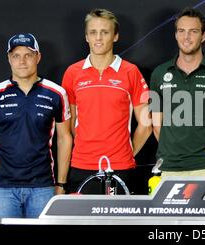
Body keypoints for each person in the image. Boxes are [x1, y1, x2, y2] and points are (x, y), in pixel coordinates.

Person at [0, 33, 73, 218]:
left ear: (38, 57)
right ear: (9, 59)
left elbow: (65, 138)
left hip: (43, 187)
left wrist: (61, 185)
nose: (22, 61)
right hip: (2, 188)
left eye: (28, 55)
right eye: (16, 55)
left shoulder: (57, 93)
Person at [62, 9, 152, 194]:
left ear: (115, 36)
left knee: (118, 223)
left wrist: (127, 152)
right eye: (93, 32)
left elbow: (146, 124)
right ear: (86, 36)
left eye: (105, 32)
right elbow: (70, 123)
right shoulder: (72, 73)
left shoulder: (130, 71)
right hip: (81, 165)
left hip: (120, 166)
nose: (99, 38)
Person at [149, 7, 205, 195]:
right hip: (167, 171)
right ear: (175, 35)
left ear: (203, 36)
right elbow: (156, 124)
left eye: (193, 31)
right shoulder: (159, 74)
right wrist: (173, 153)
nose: (186, 37)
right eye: (181, 31)